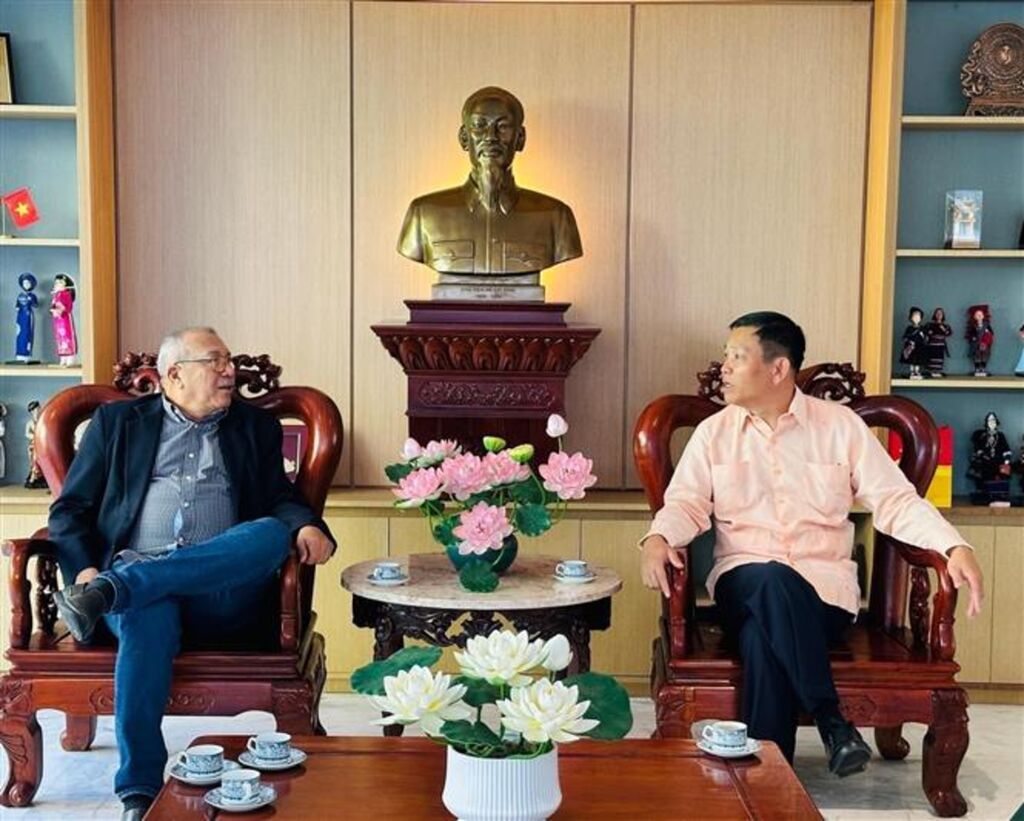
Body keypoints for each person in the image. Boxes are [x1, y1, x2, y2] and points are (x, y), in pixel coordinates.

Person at [639, 311, 983, 776]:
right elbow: (685, 504)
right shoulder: (714, 434)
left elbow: (895, 501)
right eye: (726, 357)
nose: (725, 368)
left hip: (824, 598)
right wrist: (659, 536)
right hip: (742, 584)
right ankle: (831, 721)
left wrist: (953, 546)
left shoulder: (840, 427)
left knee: (762, 640)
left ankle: (765, 779)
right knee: (769, 576)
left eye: (737, 357)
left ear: (778, 368)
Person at [48, 327, 337, 821]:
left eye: (229, 361)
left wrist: (306, 524)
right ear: (174, 374)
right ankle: (138, 793)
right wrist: (87, 570)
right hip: (138, 590)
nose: (230, 371)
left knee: (269, 533)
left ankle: (115, 589)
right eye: (216, 361)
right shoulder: (117, 424)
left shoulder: (253, 427)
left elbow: (278, 498)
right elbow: (70, 509)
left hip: (220, 594)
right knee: (146, 610)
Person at [398, 86, 581, 300]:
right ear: (464, 138)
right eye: (479, 125)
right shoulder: (423, 213)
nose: (490, 137)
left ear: (520, 138)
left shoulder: (556, 217)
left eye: (503, 127)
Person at [49, 272, 78, 366]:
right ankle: (63, 357)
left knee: (67, 336)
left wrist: (60, 308)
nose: (57, 285)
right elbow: (53, 306)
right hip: (58, 320)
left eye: (60, 283)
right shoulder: (56, 295)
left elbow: (68, 307)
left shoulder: (66, 294)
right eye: (56, 283)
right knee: (60, 338)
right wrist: (53, 310)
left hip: (65, 318)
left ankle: (70, 357)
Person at [965, 304, 994, 377]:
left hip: (984, 344)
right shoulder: (973, 326)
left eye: (980, 314)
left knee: (984, 356)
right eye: (977, 315)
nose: (979, 316)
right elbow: (970, 334)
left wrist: (987, 337)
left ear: (983, 316)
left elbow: (991, 333)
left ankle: (983, 368)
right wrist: (973, 338)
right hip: (976, 344)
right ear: (974, 316)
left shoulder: (986, 325)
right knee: (976, 356)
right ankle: (977, 369)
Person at [899, 305, 928, 379]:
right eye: (914, 316)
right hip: (911, 347)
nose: (916, 318)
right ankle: (912, 372)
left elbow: (925, 337)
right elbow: (905, 336)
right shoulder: (909, 328)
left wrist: (923, 336)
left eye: (918, 316)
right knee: (911, 360)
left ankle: (917, 372)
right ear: (911, 317)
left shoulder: (922, 328)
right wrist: (909, 341)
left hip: (920, 347)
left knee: (918, 360)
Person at [923, 307, 953, 377]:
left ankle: (937, 372)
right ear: (934, 315)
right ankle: (931, 371)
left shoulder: (946, 326)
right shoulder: (929, 325)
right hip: (931, 345)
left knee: (939, 358)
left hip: (940, 345)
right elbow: (925, 331)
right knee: (931, 358)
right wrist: (929, 333)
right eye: (937, 313)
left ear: (943, 315)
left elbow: (949, 333)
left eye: (940, 313)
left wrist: (943, 329)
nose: (939, 315)